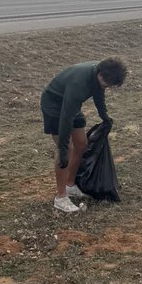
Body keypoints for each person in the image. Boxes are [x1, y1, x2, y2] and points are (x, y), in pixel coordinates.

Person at [40, 58, 127, 214]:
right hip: (54, 105)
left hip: (71, 105)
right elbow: (66, 117)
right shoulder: (79, 84)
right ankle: (60, 198)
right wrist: (63, 147)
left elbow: (99, 93)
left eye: (110, 85)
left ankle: (70, 185)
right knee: (67, 150)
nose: (107, 86)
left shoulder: (100, 73)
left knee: (81, 144)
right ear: (100, 73)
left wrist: (104, 116)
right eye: (106, 82)